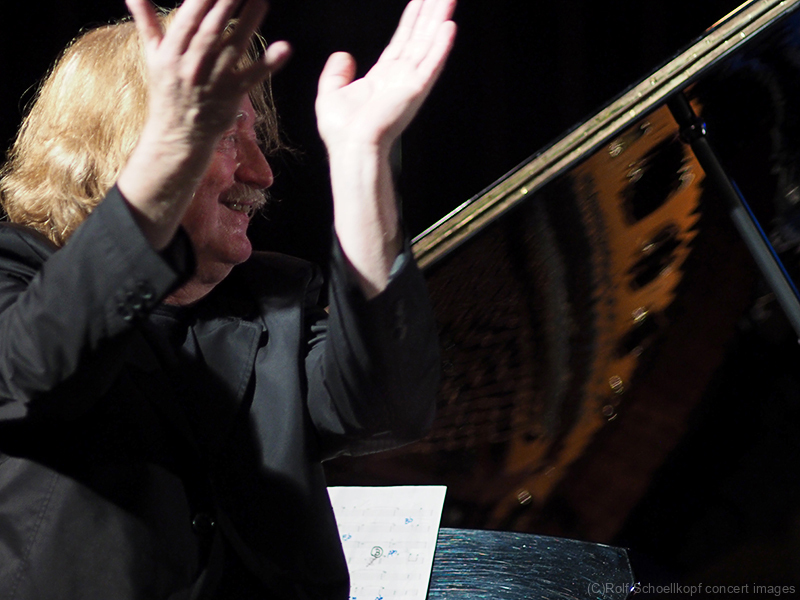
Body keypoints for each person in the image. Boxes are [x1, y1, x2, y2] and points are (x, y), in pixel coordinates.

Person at [0, 0, 456, 597]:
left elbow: (389, 409)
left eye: (255, 138)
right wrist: (167, 161)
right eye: (224, 135)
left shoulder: (272, 299)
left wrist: (361, 161)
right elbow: (38, 370)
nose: (261, 173)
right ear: (129, 146)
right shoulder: (15, 276)